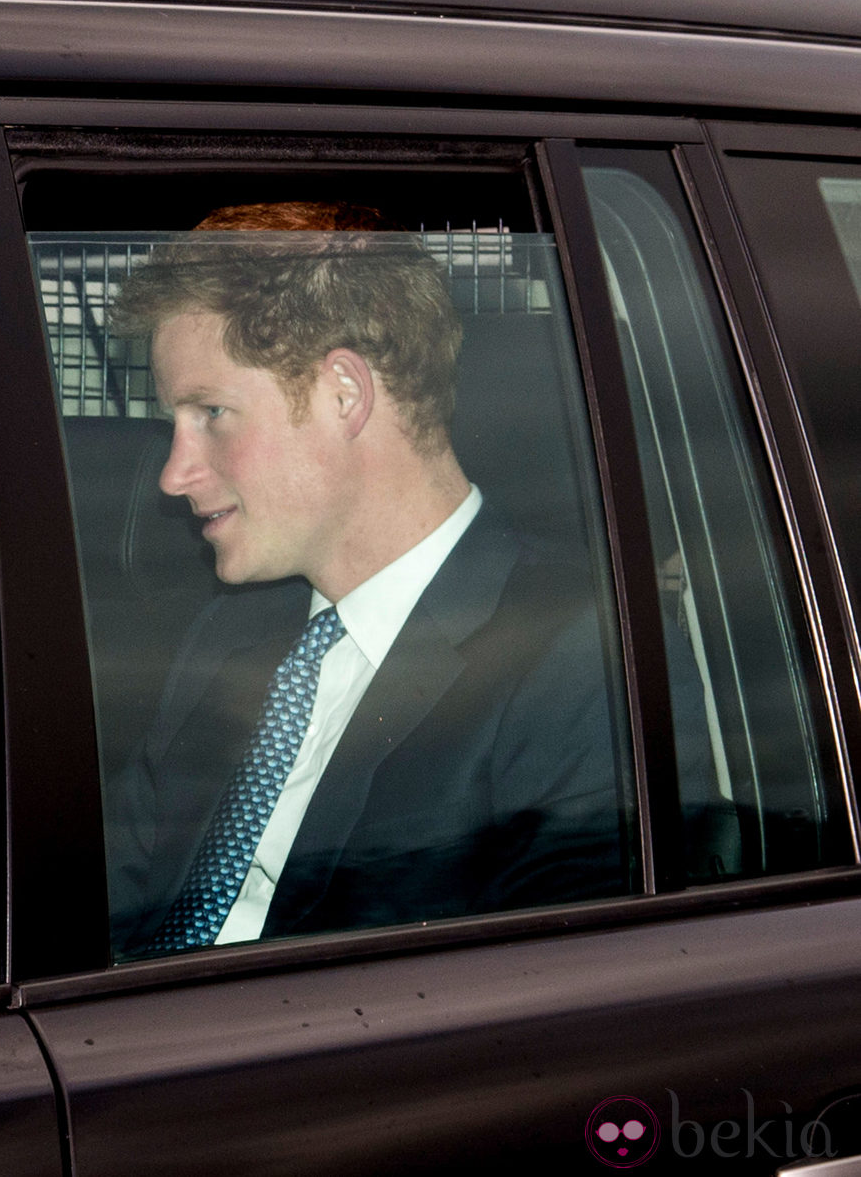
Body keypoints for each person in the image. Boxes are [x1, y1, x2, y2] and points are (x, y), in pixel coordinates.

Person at [104, 201, 708, 959]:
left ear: (345, 394)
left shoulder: (580, 659)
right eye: (174, 425)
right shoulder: (228, 634)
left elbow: (558, 1008)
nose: (172, 475)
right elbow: (98, 903)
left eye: (212, 413)